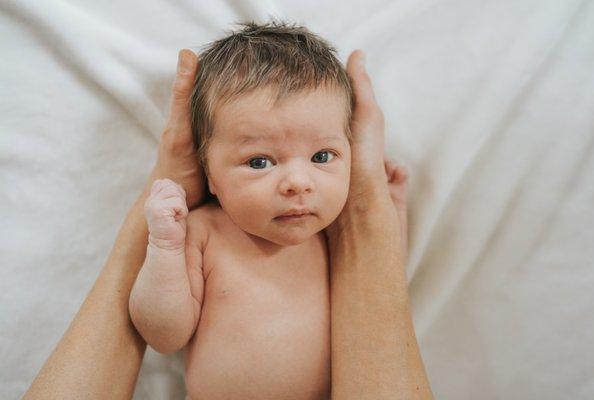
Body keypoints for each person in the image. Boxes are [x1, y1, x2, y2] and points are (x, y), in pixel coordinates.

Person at [23, 40, 434, 400]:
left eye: (322, 157)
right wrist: (163, 247)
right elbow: (164, 335)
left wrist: (386, 204)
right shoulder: (204, 232)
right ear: (210, 175)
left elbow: (384, 279)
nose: (297, 182)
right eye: (259, 161)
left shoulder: (335, 234)